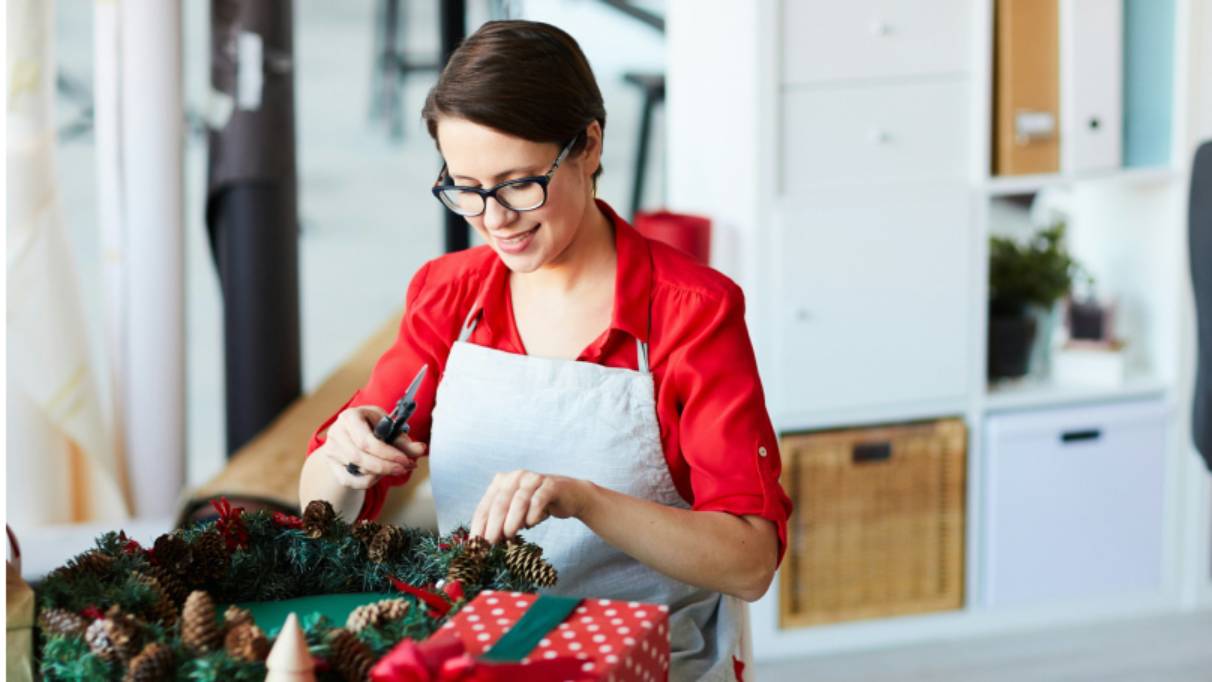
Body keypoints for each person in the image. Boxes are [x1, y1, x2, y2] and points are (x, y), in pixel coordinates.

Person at [299, 20, 791, 681]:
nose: (493, 218)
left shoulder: (690, 312)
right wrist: (345, 459)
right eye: (465, 187)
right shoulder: (450, 295)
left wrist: (585, 501)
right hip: (480, 655)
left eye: (517, 183)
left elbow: (750, 562)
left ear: (589, 145)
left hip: (653, 664)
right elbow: (322, 509)